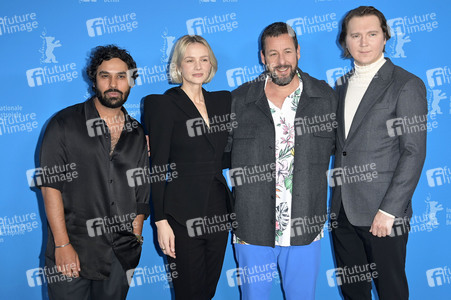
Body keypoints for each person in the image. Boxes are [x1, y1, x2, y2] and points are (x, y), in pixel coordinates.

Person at [227, 22, 337, 299]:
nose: (281, 61)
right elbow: (214, 152)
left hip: (304, 227)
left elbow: (348, 148)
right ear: (262, 57)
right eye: (272, 54)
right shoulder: (239, 100)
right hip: (252, 227)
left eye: (287, 51)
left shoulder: (326, 98)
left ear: (298, 52)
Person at [330, 6, 427, 300]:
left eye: (371, 34)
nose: (363, 42)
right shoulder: (340, 86)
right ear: (345, 41)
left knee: (391, 291)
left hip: (383, 215)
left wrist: (390, 211)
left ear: (385, 37)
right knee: (353, 292)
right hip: (343, 211)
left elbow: (413, 152)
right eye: (355, 35)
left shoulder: (406, 84)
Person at [39, 45, 150, 300]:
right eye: (105, 75)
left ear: (131, 81)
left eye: (121, 76)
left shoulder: (137, 133)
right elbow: (50, 186)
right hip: (73, 250)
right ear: (94, 79)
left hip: (120, 255)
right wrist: (61, 245)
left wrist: (135, 240)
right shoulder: (64, 124)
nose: (113, 83)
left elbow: (141, 192)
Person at [143, 35, 233, 300]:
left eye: (203, 59)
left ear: (211, 64)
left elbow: (223, 155)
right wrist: (160, 221)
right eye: (190, 60)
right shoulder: (161, 105)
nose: (197, 66)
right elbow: (156, 166)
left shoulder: (223, 101)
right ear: (179, 66)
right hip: (180, 216)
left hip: (218, 211)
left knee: (207, 292)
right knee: (188, 294)